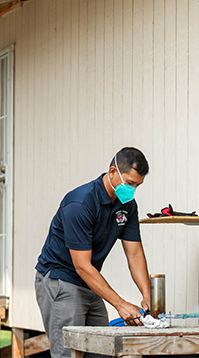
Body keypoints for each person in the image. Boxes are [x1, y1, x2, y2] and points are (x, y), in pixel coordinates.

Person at [34, 147, 151, 358]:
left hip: (89, 280)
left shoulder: (128, 205)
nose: (132, 190)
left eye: (137, 185)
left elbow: (134, 254)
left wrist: (147, 294)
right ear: (113, 171)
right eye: (130, 183)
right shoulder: (80, 203)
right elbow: (81, 265)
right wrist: (120, 304)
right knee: (67, 354)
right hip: (62, 279)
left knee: (101, 351)